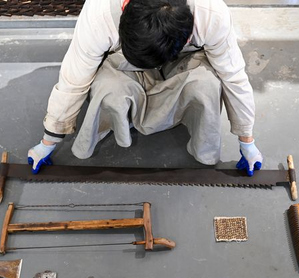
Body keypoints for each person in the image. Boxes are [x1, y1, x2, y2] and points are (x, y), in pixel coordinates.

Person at [28, 0, 263, 176]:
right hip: (126, 62)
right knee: (107, 89)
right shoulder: (99, 15)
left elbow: (233, 76)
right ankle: (124, 115)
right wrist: (49, 139)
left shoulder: (211, 14)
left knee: (208, 85)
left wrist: (247, 141)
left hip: (184, 59)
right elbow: (74, 78)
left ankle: (190, 126)